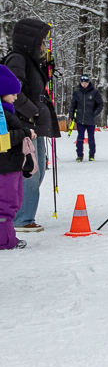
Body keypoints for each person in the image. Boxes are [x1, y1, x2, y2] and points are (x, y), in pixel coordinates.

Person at [3, 18, 57, 233]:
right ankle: (22, 218)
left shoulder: (31, 60)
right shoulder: (17, 59)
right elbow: (12, 90)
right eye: (42, 41)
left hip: (36, 126)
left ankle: (23, 214)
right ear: (31, 40)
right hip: (26, 125)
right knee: (30, 171)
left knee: (39, 170)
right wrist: (33, 111)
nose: (44, 45)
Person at [0, 65, 34, 249]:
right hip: (4, 167)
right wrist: (24, 133)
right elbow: (2, 142)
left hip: (11, 165)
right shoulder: (1, 114)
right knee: (6, 204)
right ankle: (5, 241)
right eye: (12, 93)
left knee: (12, 202)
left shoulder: (6, 112)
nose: (15, 97)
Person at [69, 74, 103, 162]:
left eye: (86, 82)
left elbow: (100, 104)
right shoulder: (77, 92)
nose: (84, 84)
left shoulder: (95, 92)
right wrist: (71, 115)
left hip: (91, 120)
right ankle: (79, 155)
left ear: (88, 82)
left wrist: (94, 114)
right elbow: (73, 105)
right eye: (82, 82)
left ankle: (92, 155)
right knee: (80, 138)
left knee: (91, 138)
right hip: (80, 119)